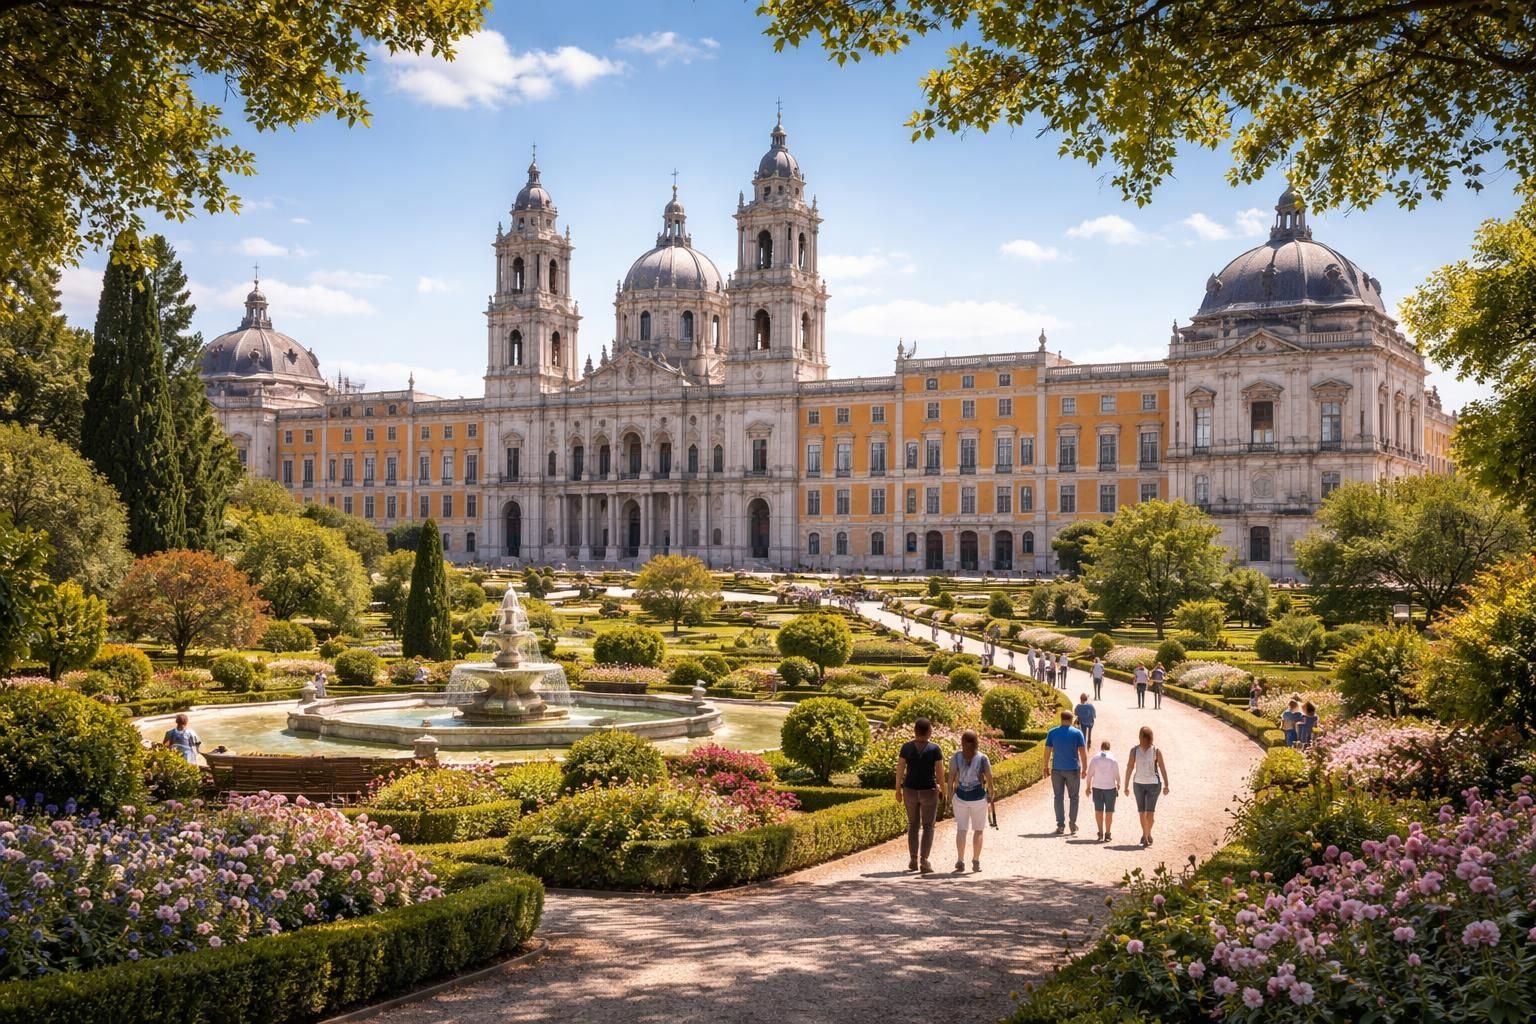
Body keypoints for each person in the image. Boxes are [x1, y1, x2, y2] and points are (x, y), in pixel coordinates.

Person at [894, 717, 946, 873]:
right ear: (929, 731)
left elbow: (900, 770)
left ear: (915, 731)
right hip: (928, 790)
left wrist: (898, 789)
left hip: (909, 790)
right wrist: (942, 789)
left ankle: (913, 858)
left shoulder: (906, 748)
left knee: (913, 825)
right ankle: (924, 860)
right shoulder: (935, 749)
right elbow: (940, 773)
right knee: (928, 826)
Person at [946, 730, 993, 872]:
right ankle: (976, 860)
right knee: (978, 830)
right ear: (977, 742)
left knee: (961, 830)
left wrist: (950, 796)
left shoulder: (956, 757)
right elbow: (989, 778)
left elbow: (951, 779)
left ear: (962, 742)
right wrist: (991, 793)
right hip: (978, 797)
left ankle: (960, 860)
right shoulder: (983, 758)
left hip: (960, 797)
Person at [1123, 726, 1171, 847]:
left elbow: (1162, 768)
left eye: (1145, 737)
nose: (1143, 740)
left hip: (1153, 784)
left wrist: (1166, 784)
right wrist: (1126, 784)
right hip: (1138, 783)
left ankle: (1146, 835)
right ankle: (1146, 834)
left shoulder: (1156, 751)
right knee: (1141, 812)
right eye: (1142, 737)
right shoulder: (1134, 750)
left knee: (1150, 813)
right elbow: (1129, 767)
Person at [1044, 709, 1088, 835]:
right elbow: (1083, 752)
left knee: (1058, 797)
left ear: (1061, 719)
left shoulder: (1052, 733)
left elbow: (1047, 751)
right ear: (1071, 719)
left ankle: (1060, 825)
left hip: (1057, 769)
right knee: (1074, 797)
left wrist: (1045, 766)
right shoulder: (1077, 733)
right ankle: (1072, 824)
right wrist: (1085, 768)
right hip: (1072, 769)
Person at [1085, 740, 1120, 842]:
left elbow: (1090, 774)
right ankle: (1107, 834)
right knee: (1109, 812)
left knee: (1098, 810)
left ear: (1101, 747)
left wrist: (1088, 787)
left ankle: (1100, 832)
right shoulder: (1113, 759)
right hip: (1110, 787)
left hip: (1097, 787)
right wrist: (1118, 783)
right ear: (1109, 748)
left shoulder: (1095, 758)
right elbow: (1116, 774)